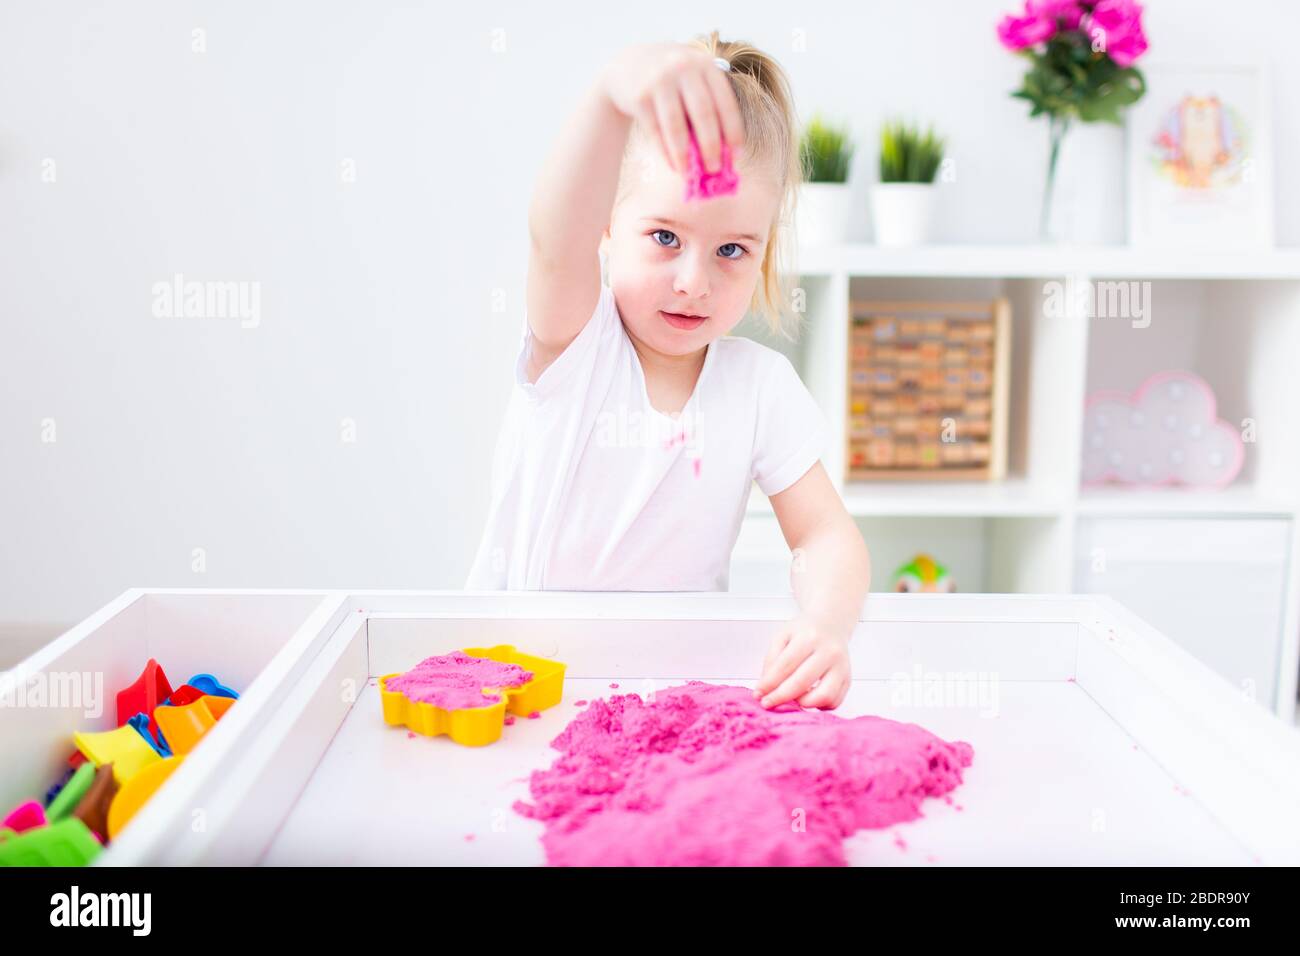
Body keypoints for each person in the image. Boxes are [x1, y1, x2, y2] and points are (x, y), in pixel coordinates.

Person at [466, 31, 871, 710]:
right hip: (517, 682)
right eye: (664, 238)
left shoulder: (760, 387)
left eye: (732, 250)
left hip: (674, 693)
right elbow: (551, 238)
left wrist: (827, 625)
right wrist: (607, 97)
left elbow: (826, 534)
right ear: (605, 227)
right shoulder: (577, 343)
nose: (694, 282)